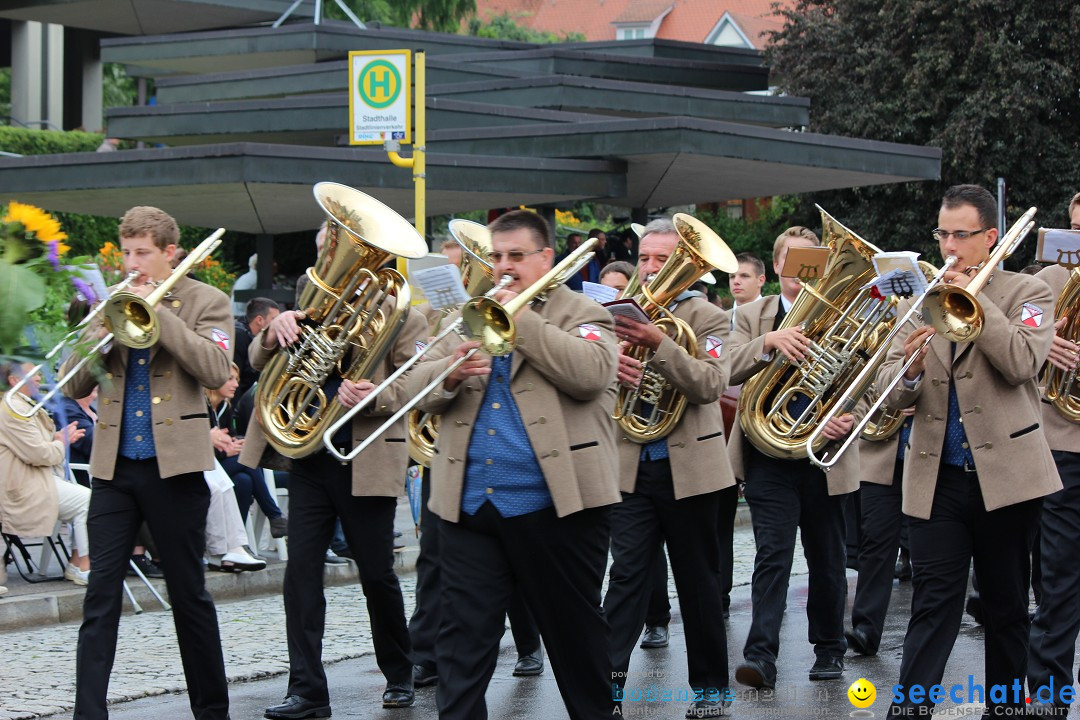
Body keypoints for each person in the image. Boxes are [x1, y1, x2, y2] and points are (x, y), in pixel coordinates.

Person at [404, 209, 620, 720]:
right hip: (470, 508)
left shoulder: (583, 311)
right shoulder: (464, 312)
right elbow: (415, 385)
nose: (503, 267)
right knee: (460, 649)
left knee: (577, 645)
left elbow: (591, 374)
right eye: (496, 256)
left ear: (546, 258)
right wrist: (450, 375)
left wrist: (520, 320)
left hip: (558, 508)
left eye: (516, 257)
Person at [878, 184, 1060, 717]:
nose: (950, 247)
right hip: (938, 476)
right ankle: (910, 710)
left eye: (962, 235)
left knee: (1006, 607)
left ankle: (1004, 710)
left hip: (1007, 476)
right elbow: (889, 388)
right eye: (943, 234)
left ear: (990, 238)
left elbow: (1023, 363)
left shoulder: (1029, 292)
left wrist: (974, 301)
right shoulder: (919, 296)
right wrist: (908, 369)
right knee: (932, 604)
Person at [242, 239, 428, 717]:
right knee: (300, 575)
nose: (329, 260)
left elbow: (419, 378)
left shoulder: (400, 307)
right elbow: (259, 362)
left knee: (377, 575)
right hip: (308, 454)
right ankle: (306, 691)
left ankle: (399, 670)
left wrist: (376, 393)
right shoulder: (308, 295)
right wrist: (272, 333)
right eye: (328, 249)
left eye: (340, 249)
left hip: (363, 455)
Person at [62, 206, 233, 720]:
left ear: (169, 254)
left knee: (189, 597)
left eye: (143, 254)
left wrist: (159, 316)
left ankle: (212, 710)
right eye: (128, 253)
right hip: (114, 471)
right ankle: (87, 713)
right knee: (100, 598)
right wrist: (97, 332)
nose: (133, 264)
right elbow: (74, 386)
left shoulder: (208, 301)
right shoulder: (112, 304)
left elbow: (215, 368)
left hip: (176, 469)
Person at [602, 218, 734, 718]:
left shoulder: (709, 318)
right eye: (645, 259)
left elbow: (708, 385)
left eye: (663, 259)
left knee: (698, 583)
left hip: (691, 470)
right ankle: (608, 686)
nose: (652, 268)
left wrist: (660, 343)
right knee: (627, 579)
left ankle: (709, 691)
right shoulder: (613, 313)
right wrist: (608, 363)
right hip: (632, 467)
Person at [727, 226, 861, 689]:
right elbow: (723, 367)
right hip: (767, 453)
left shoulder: (843, 314)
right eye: (795, 263)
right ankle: (759, 657)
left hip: (821, 453)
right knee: (772, 557)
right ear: (778, 264)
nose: (804, 273)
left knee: (827, 558)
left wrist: (847, 417)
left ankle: (829, 649)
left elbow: (867, 373)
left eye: (814, 264)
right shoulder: (752, 313)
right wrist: (768, 343)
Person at [1026, 192, 1080, 716]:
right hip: (1066, 439)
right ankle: (1048, 689)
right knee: (1059, 575)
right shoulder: (1049, 281)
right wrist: (1044, 346)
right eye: (1074, 228)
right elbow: (1016, 353)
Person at [1, 362, 92, 584]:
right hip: (23, 486)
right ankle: (83, 566)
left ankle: (77, 564)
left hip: (35, 479)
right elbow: (38, 454)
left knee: (89, 499)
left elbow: (35, 447)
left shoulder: (20, 405)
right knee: (88, 501)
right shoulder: (12, 408)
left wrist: (58, 439)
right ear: (14, 381)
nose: (40, 378)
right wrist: (61, 443)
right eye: (33, 374)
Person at [846, 406, 914, 656]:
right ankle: (866, 628)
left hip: (933, 454)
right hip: (881, 453)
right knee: (874, 540)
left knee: (930, 550)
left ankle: (927, 632)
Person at [207, 362, 287, 540]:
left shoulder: (224, 407)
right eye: (229, 379)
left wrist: (235, 444)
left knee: (244, 481)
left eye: (237, 379)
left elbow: (232, 438)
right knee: (247, 460)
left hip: (223, 469)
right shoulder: (203, 406)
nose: (235, 384)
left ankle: (237, 543)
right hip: (207, 470)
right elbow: (199, 447)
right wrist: (225, 452)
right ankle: (274, 515)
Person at [234, 298, 281, 399]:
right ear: (259, 320)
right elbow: (234, 377)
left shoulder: (244, 334)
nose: (278, 324)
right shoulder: (239, 337)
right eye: (275, 320)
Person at [728, 253, 766, 330]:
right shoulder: (719, 320)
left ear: (760, 280)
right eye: (732, 276)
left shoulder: (774, 315)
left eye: (744, 276)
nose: (736, 281)